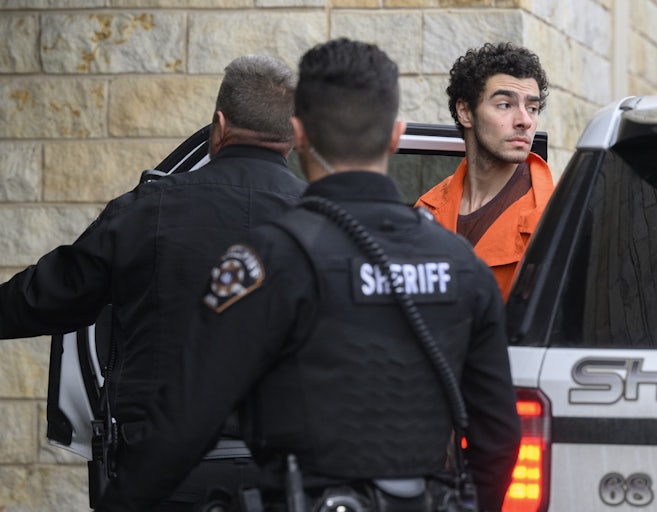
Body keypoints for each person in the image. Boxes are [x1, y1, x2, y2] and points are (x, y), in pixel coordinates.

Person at [94, 38, 521, 512]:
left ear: (298, 133)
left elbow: (185, 421)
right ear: (396, 134)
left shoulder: (267, 260)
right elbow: (498, 437)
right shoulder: (463, 265)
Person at [0, 54, 307, 509]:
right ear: (295, 136)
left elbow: (45, 297)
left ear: (219, 126)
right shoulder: (325, 219)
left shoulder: (147, 210)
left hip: (162, 479)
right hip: (290, 481)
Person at [415, 43, 555, 302]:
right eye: (505, 105)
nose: (524, 120)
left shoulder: (555, 219)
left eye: (532, 108)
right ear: (465, 112)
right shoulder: (426, 211)